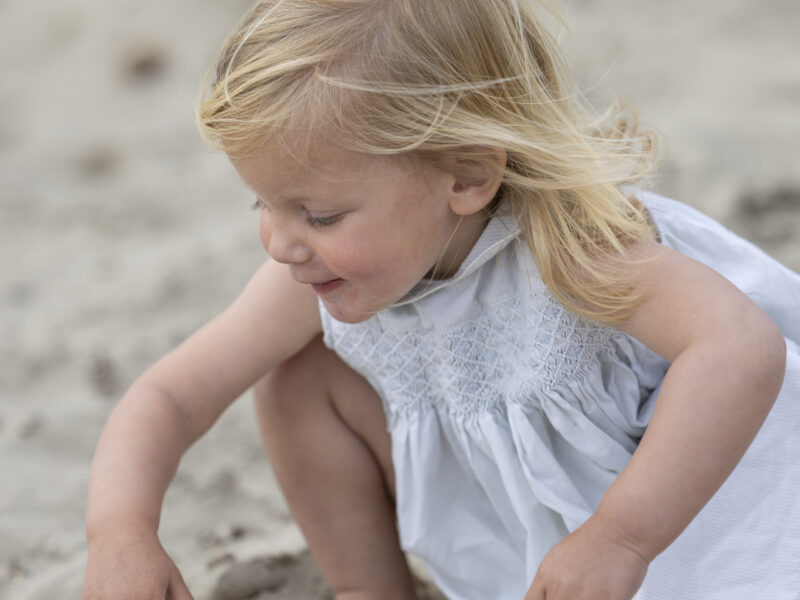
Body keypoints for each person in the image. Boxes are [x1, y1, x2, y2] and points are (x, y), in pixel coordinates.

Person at [81, 1, 800, 599]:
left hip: (681, 512)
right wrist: (121, 532)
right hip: (535, 536)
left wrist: (621, 537)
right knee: (297, 377)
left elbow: (738, 348)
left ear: (466, 177)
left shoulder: (575, 249)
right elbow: (170, 397)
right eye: (262, 206)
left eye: (320, 215)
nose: (281, 243)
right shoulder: (318, 276)